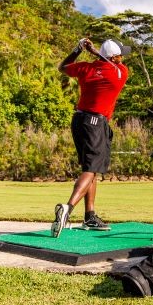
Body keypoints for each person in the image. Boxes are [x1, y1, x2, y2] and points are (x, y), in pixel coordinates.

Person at [51, 37, 130, 237]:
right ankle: (67, 209)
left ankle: (90, 216)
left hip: (79, 120)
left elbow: (63, 67)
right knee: (91, 169)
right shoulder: (120, 73)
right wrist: (96, 51)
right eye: (120, 55)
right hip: (96, 123)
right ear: (114, 57)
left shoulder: (86, 68)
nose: (122, 58)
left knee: (90, 169)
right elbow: (112, 63)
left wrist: (79, 49)